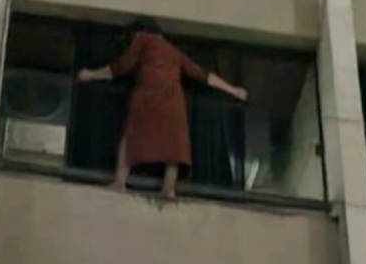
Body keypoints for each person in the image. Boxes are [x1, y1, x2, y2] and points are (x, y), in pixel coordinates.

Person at [78, 17, 247, 199]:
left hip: (148, 96)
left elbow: (121, 66)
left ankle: (120, 182)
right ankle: (168, 188)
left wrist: (91, 74)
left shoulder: (144, 40)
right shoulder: (174, 52)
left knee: (130, 136)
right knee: (173, 145)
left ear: (140, 33)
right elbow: (202, 74)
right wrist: (233, 90)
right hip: (173, 100)